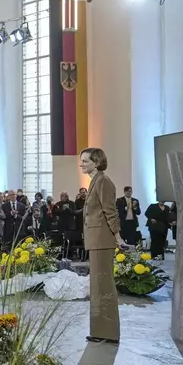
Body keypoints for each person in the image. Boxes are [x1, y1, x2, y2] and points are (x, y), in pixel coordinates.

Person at [79, 147, 126, 344]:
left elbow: (110, 211)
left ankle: (108, 332)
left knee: (103, 286)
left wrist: (118, 236)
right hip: (96, 239)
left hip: (102, 239)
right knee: (97, 286)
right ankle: (100, 330)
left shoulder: (103, 181)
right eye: (81, 161)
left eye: (86, 161)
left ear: (96, 162)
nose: (81, 164)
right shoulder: (95, 181)